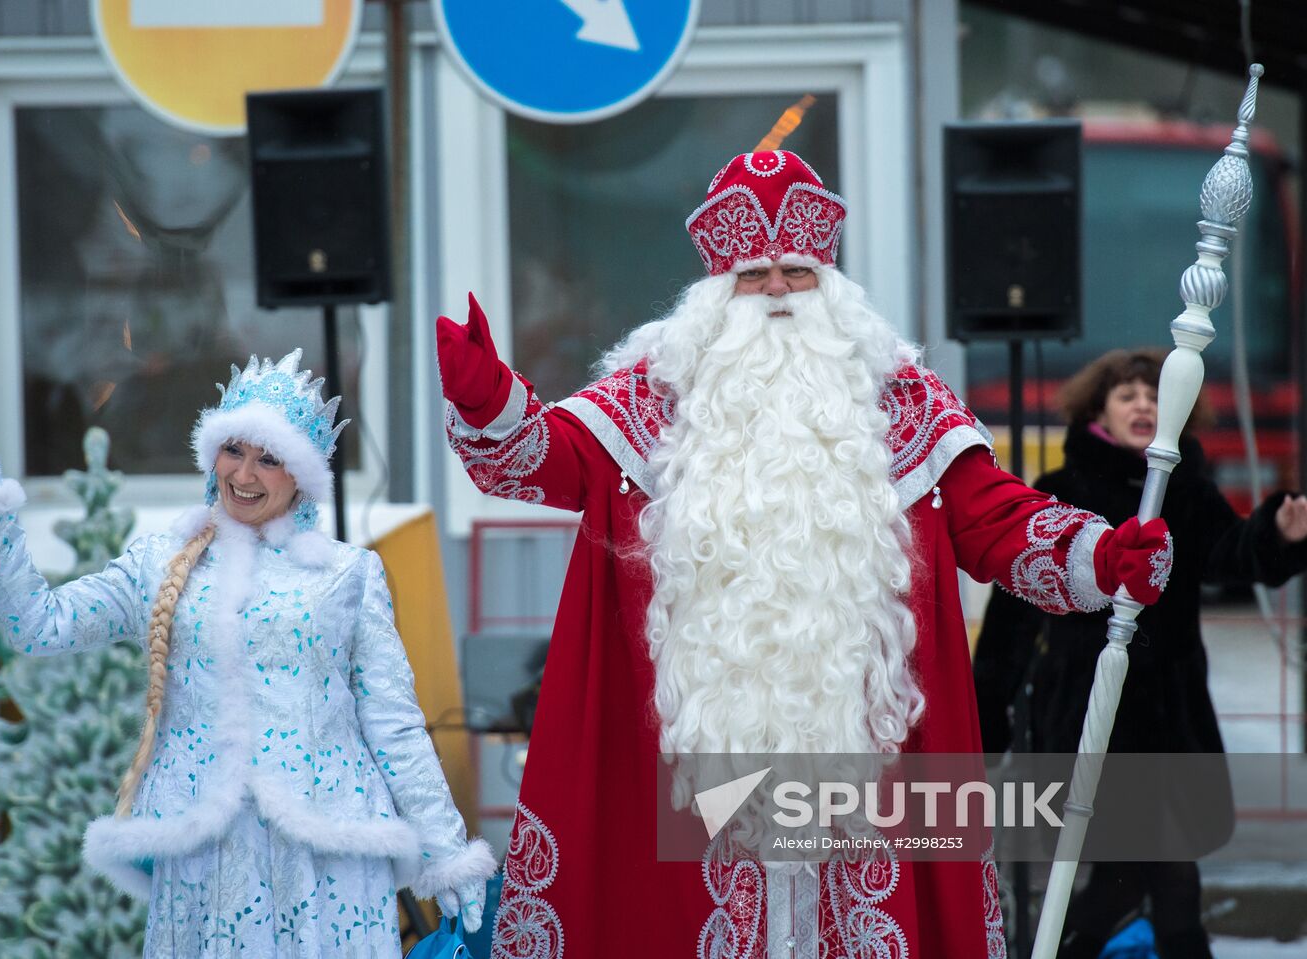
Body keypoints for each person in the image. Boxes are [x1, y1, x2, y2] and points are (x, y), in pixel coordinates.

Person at [438, 150, 1173, 957]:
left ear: (831, 283)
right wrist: (491, 401)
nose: (779, 291)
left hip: (870, 771)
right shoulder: (650, 399)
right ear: (717, 292)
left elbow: (993, 517)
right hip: (692, 773)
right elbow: (543, 457)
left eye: (796, 271)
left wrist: (1100, 553)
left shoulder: (905, 403)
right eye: (755, 274)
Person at [0, 350, 495, 957]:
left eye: (269, 458)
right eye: (234, 450)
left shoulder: (348, 574)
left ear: (300, 474)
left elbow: (395, 724)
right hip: (205, 859)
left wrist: (448, 853)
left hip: (331, 858)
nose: (245, 475)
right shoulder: (158, 561)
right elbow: (38, 625)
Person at [973, 349, 1307, 959]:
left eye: (1154, 396)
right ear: (1098, 409)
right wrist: (987, 713)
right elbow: (1012, 618)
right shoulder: (1061, 491)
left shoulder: (1189, 492)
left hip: (1169, 714)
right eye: (1128, 395)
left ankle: (1068, 948)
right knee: (1158, 868)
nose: (1144, 406)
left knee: (1137, 869)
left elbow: (1231, 556)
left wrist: (1278, 534)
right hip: (1088, 708)